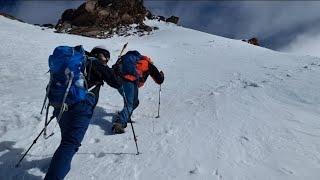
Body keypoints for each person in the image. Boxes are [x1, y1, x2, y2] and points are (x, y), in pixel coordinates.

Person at [45, 45, 121, 180]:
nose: (106, 61)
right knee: (70, 143)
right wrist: (111, 70)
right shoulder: (95, 62)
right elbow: (117, 82)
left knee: (67, 140)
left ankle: (60, 164)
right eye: (106, 58)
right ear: (101, 55)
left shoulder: (78, 61)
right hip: (81, 105)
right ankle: (57, 171)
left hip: (60, 104)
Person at [112, 50, 164, 134]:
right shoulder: (147, 63)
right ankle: (119, 123)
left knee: (135, 102)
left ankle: (124, 116)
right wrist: (161, 77)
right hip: (128, 82)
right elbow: (158, 79)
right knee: (130, 104)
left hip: (118, 81)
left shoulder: (124, 60)